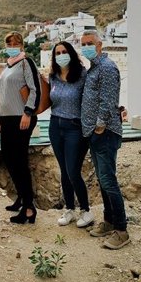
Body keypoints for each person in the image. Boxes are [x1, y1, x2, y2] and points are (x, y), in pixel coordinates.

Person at [80, 31, 130, 249]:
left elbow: (109, 101)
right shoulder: (94, 68)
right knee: (102, 179)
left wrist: (99, 126)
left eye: (90, 43)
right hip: (95, 132)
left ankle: (122, 230)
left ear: (100, 45)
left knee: (109, 180)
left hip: (105, 132)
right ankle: (109, 221)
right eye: (83, 44)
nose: (86, 47)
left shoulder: (107, 68)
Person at [0, 31, 41, 224]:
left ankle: (29, 208)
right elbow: (3, 94)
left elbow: (35, 89)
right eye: (8, 43)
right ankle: (22, 197)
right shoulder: (8, 66)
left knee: (20, 162)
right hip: (6, 119)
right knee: (9, 159)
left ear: (21, 44)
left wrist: (28, 113)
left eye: (15, 42)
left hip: (21, 118)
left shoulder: (25, 63)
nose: (11, 45)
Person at [47, 42, 93, 228]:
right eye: (57, 53)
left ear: (71, 53)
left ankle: (86, 210)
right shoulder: (53, 77)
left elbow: (90, 100)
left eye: (64, 51)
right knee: (64, 171)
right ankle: (69, 209)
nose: (61, 55)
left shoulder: (82, 75)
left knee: (73, 171)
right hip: (55, 125)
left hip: (75, 127)